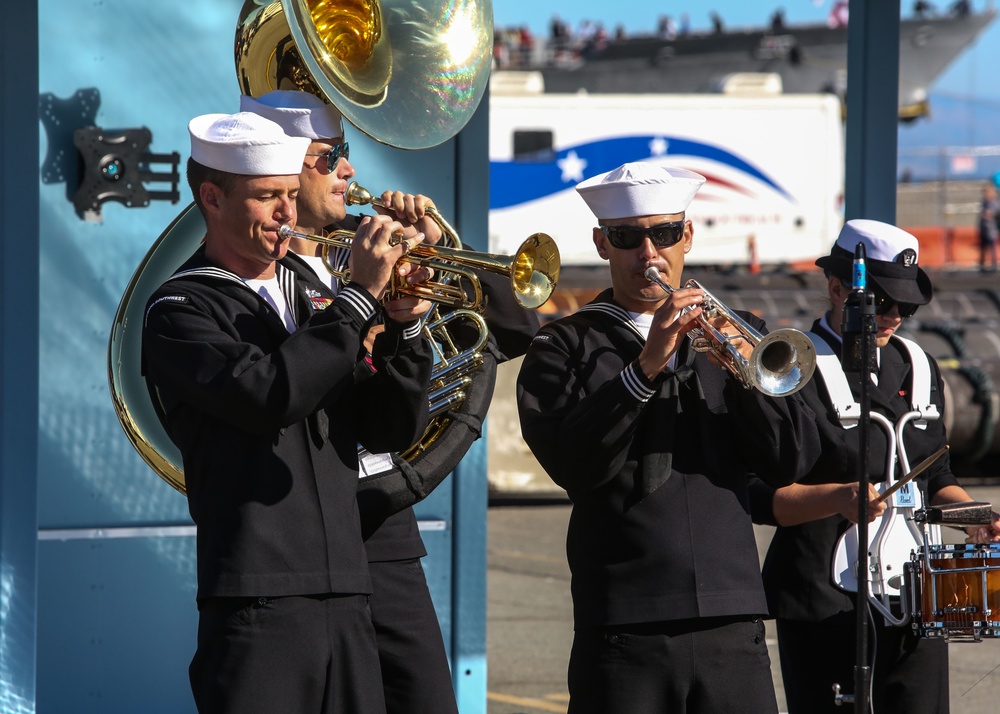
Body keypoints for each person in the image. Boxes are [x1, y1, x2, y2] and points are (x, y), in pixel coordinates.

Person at [240, 89, 540, 714]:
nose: (350, 170)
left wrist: (432, 243)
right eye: (332, 156)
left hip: (381, 524)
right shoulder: (254, 275)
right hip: (293, 521)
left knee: (426, 699)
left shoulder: (372, 241)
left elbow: (514, 328)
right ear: (283, 172)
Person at [141, 110, 434, 713]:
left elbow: (387, 428)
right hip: (259, 598)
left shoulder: (313, 290)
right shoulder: (179, 307)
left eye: (288, 195)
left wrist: (404, 326)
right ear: (212, 198)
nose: (286, 214)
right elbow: (271, 395)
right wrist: (358, 301)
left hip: (350, 589)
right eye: (267, 197)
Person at [516, 162, 821, 714]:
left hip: (732, 616)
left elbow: (791, 458)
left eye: (663, 234)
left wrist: (749, 376)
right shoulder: (563, 346)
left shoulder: (738, 330)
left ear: (687, 236)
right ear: (602, 244)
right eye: (628, 238)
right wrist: (645, 365)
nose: (648, 254)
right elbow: (575, 466)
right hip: (626, 621)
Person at [749, 219, 1000, 714]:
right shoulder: (791, 367)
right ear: (837, 288)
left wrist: (976, 517)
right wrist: (838, 498)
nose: (894, 317)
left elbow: (935, 478)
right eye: (882, 302)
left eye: (905, 306)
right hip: (823, 596)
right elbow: (758, 494)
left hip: (916, 597)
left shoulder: (921, 367)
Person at [978, 182, 998, 272]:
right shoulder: (984, 203)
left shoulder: (995, 203)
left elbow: (995, 214)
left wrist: (989, 215)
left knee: (991, 247)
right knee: (983, 248)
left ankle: (994, 265)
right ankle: (982, 265)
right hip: (984, 229)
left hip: (991, 229)